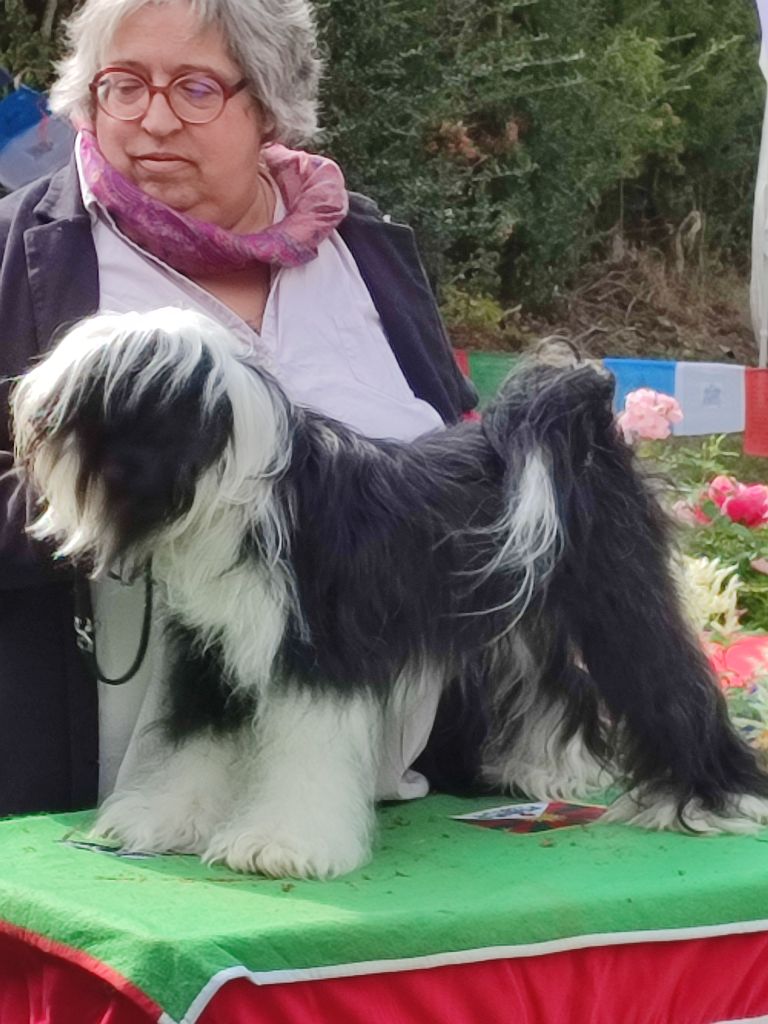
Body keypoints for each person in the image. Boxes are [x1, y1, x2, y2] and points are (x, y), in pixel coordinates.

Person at [0, 0, 479, 816]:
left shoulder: (368, 252)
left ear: (268, 105)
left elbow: (454, 466)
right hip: (94, 809)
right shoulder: (21, 252)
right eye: (122, 85)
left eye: (194, 88)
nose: (152, 119)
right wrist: (123, 493)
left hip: (386, 810)